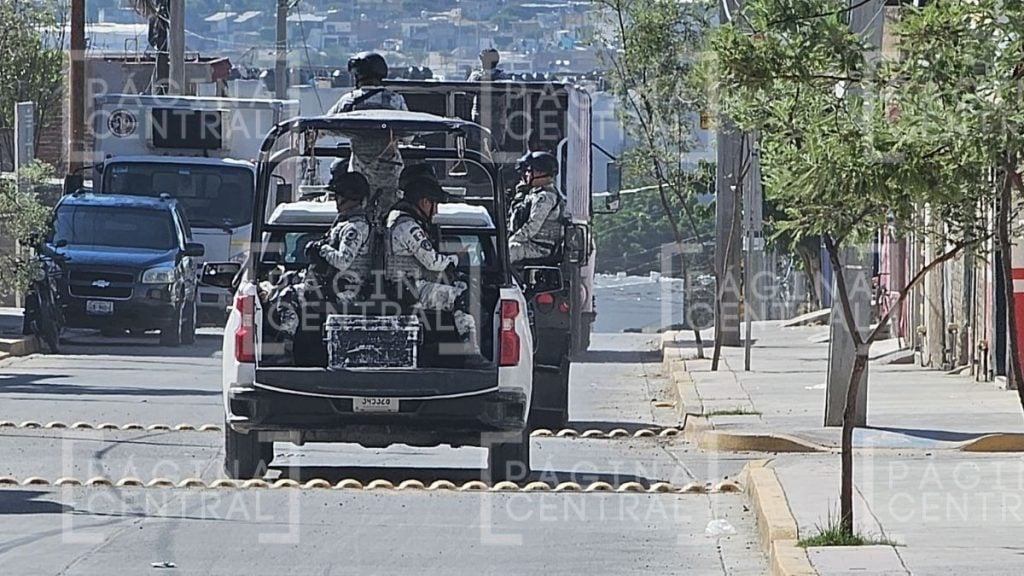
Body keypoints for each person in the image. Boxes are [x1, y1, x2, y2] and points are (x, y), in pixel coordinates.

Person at [385, 175, 487, 366]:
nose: (436, 210)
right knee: (462, 297)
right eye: (435, 204)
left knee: (459, 285)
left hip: (407, 285)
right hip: (409, 288)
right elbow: (433, 262)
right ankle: (471, 353)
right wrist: (455, 259)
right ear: (424, 202)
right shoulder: (408, 226)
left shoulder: (397, 221)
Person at [328, 52, 409, 222]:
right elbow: (408, 137)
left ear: (357, 76)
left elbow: (326, 126)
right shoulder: (394, 100)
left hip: (358, 180)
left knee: (358, 221)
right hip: (390, 177)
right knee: (390, 221)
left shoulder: (349, 101)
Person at [306, 169, 373, 304]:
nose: (336, 200)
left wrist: (321, 248)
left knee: (293, 295)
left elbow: (342, 261)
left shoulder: (355, 227)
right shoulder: (344, 222)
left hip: (350, 289)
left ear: (351, 198)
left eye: (339, 196)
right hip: (339, 285)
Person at [508, 151, 563, 264]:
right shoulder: (534, 194)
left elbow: (532, 227)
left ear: (541, 172)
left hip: (539, 248)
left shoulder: (546, 197)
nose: (526, 175)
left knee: (505, 253)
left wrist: (511, 240)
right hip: (529, 243)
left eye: (529, 171)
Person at [467, 48, 511, 153]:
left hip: (481, 119)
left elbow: (468, 93)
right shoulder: (503, 77)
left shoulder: (476, 76)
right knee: (497, 148)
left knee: (479, 148)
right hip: (497, 118)